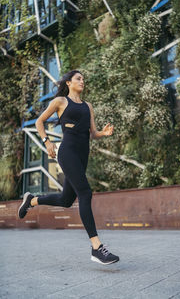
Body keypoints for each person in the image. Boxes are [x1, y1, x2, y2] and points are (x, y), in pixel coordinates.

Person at [18, 70, 120, 265]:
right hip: (67, 152)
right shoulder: (60, 102)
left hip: (83, 154)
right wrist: (47, 142)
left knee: (66, 200)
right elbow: (40, 122)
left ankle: (31, 200)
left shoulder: (88, 106)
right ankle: (97, 247)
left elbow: (92, 133)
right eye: (78, 78)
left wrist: (103, 134)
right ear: (68, 83)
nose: (82, 81)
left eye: (83, 79)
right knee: (85, 193)